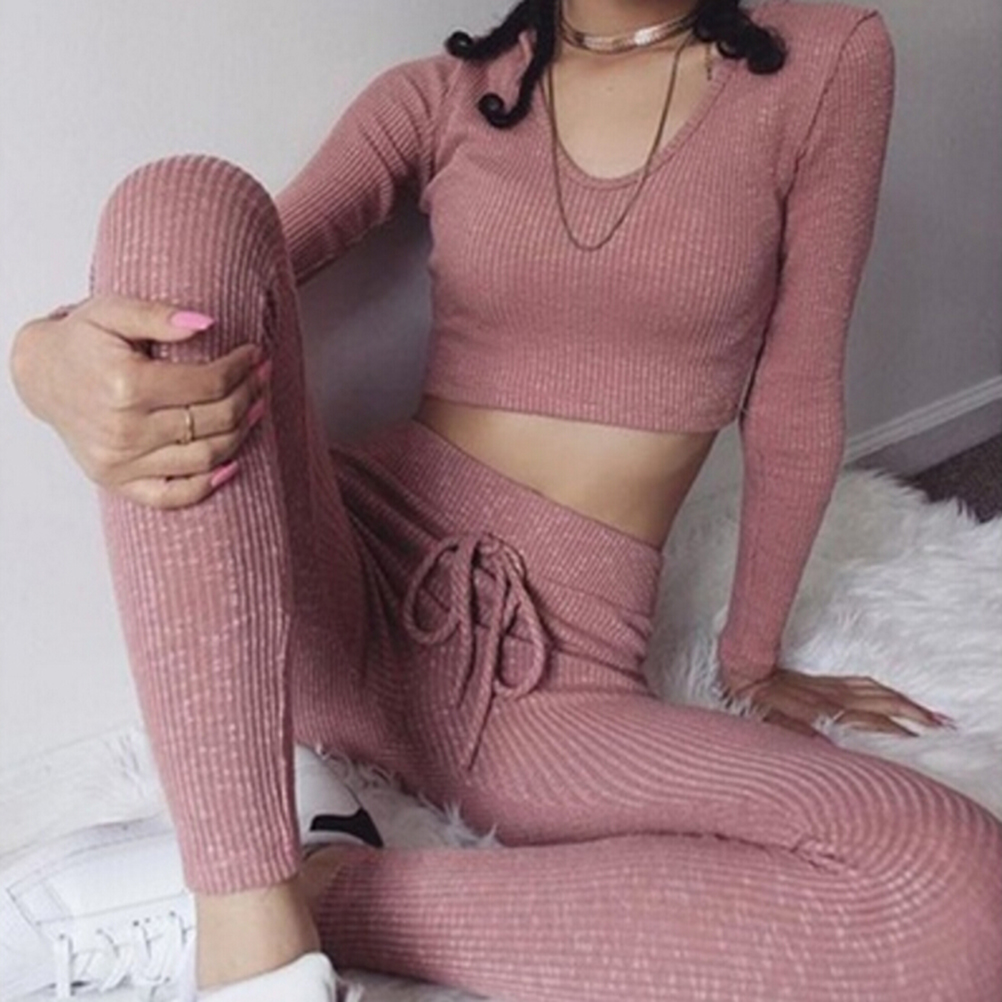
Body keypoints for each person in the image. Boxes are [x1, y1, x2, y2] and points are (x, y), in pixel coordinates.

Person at [7, 0, 1002, 999]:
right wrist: (39, 355)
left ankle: (314, 891)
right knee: (184, 198)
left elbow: (794, 395)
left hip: (554, 682)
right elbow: (209, 283)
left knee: (959, 898)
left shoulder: (820, 62)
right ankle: (246, 925)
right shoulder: (445, 96)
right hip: (335, 598)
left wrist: (750, 661)